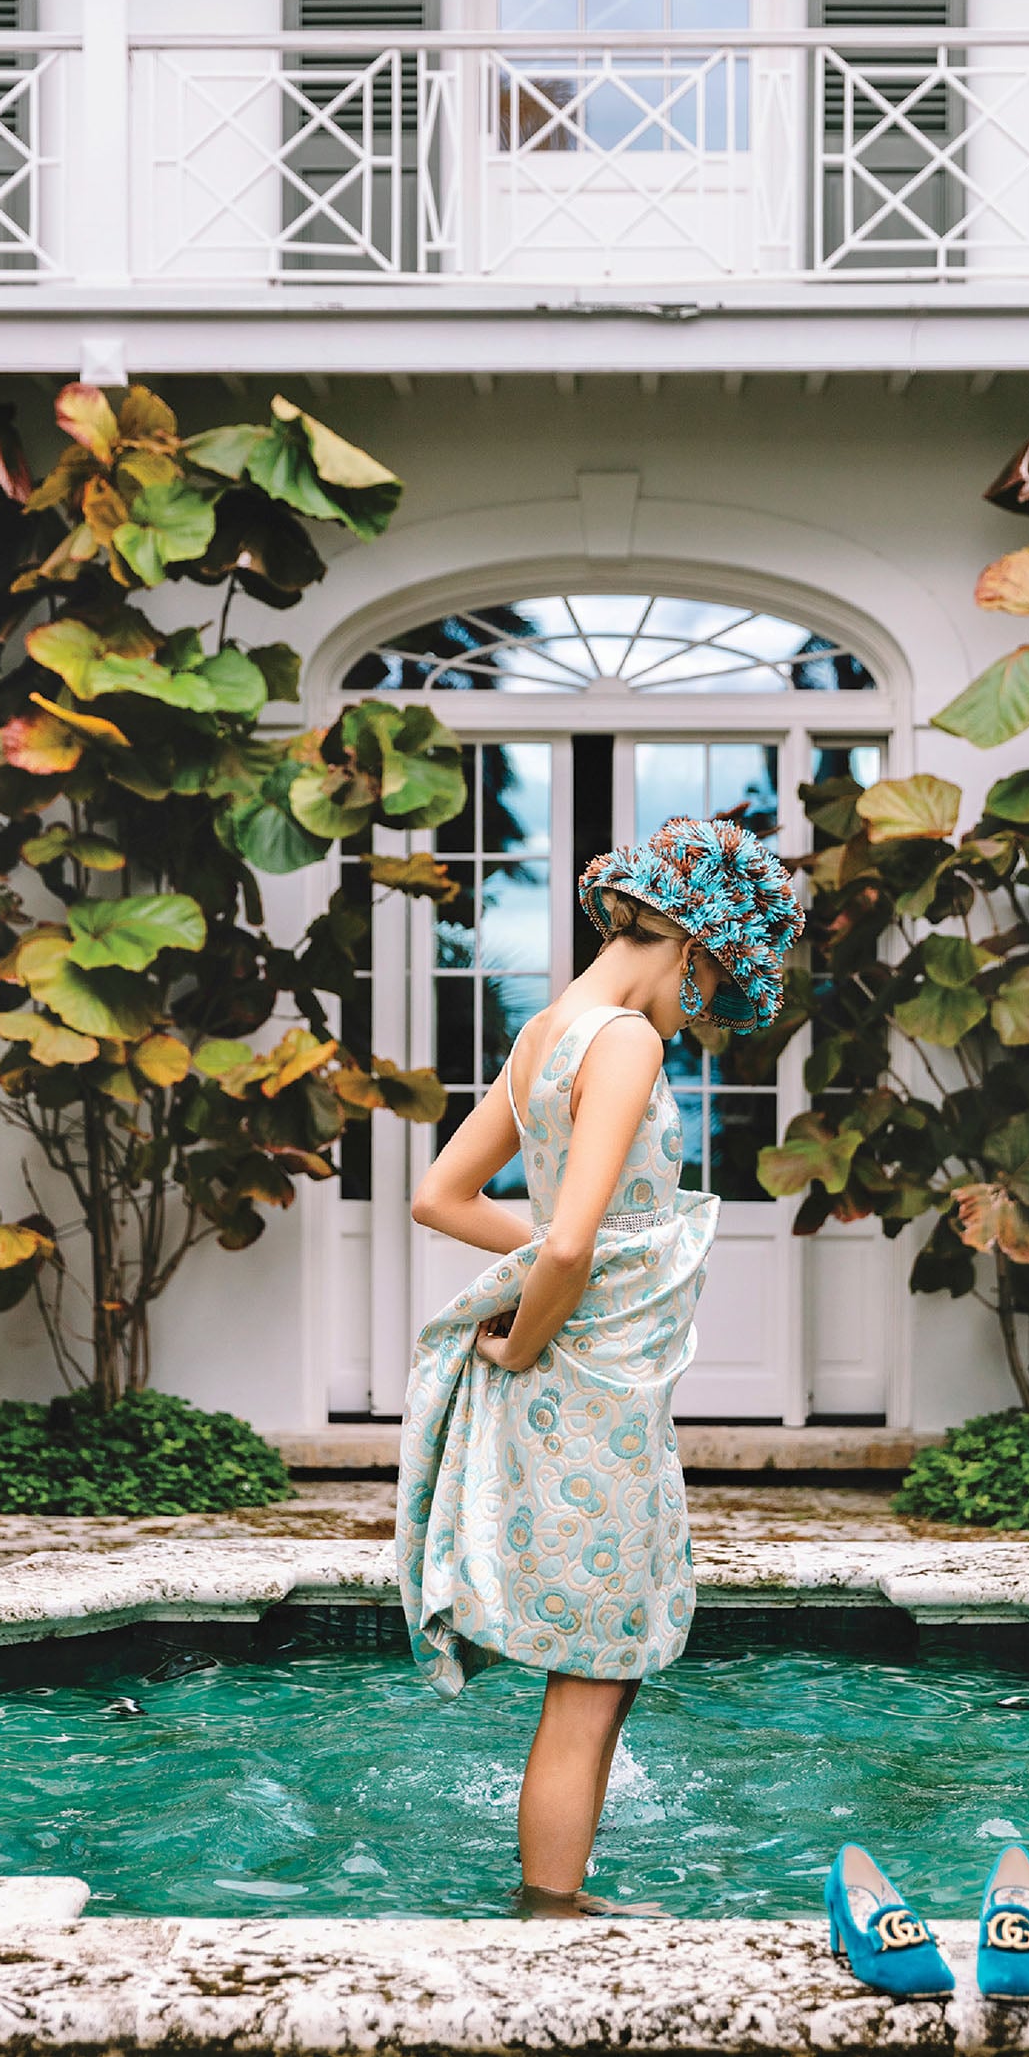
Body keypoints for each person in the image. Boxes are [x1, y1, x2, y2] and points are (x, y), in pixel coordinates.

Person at [396, 815, 804, 1911]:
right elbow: (568, 1242)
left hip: (583, 1381)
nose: (701, 1011)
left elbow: (442, 1197)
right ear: (692, 946)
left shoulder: (546, 1036)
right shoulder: (625, 1040)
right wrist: (524, 1334)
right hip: (588, 1389)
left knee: (595, 1671)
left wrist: (591, 1267)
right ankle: (555, 1915)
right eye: (711, 987)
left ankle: (552, 1902)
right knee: (594, 1679)